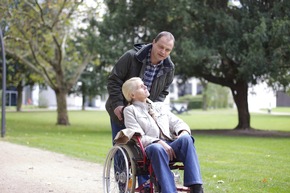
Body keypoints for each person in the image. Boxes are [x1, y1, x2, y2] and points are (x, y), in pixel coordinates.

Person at [121, 77, 204, 193]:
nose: (145, 86)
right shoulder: (130, 110)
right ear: (132, 95)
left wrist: (182, 132)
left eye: (144, 84)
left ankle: (196, 187)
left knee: (186, 139)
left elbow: (177, 122)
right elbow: (137, 135)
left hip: (171, 144)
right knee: (157, 148)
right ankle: (168, 191)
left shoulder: (159, 106)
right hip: (151, 148)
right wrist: (158, 142)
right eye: (141, 86)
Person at [105, 31, 175, 142]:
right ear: (153, 43)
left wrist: (153, 109)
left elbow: (164, 92)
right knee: (122, 146)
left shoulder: (169, 68)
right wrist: (117, 104)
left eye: (167, 50)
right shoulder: (131, 57)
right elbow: (114, 80)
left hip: (146, 116)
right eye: (161, 47)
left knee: (146, 150)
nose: (163, 52)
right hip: (121, 111)